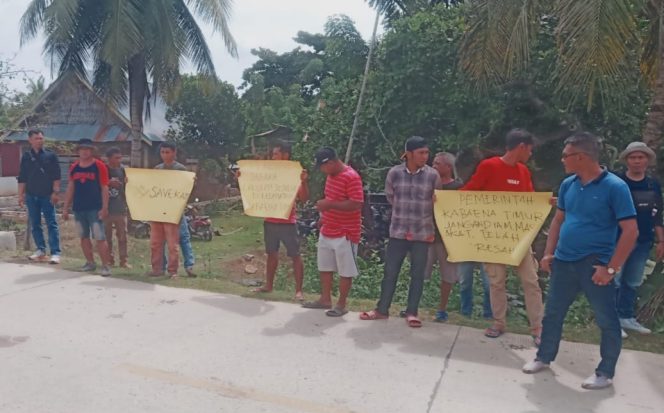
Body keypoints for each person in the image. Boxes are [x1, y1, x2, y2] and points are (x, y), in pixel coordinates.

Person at [523, 132, 638, 390]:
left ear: (582, 157)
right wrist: (549, 252)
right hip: (564, 261)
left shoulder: (615, 187)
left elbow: (631, 231)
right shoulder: (568, 184)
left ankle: (604, 372)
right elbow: (558, 220)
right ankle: (544, 356)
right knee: (552, 314)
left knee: (607, 320)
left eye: (566, 155)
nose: (562, 160)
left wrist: (610, 268)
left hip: (595, 263)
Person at [463, 128, 544, 342]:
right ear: (521, 147)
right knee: (497, 282)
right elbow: (469, 192)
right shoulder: (489, 166)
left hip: (518, 238)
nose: (531, 154)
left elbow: (530, 201)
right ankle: (499, 322)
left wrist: (545, 204)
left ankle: (537, 327)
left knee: (531, 280)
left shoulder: (523, 171)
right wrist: (442, 200)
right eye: (530, 150)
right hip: (494, 237)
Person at [360, 136, 440, 328]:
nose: (425, 156)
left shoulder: (433, 175)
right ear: (409, 154)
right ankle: (382, 309)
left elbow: (438, 203)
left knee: (418, 274)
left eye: (427, 153)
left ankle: (412, 312)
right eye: (421, 153)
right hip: (398, 231)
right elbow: (391, 198)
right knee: (390, 272)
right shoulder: (394, 173)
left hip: (422, 233)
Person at [425, 152, 492, 322]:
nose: (433, 166)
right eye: (432, 163)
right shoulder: (427, 184)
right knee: (420, 274)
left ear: (448, 167)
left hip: (449, 240)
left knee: (450, 277)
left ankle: (445, 310)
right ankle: (413, 306)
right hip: (427, 235)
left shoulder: (458, 188)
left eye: (437, 163)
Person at [302, 147, 363, 317]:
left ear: (330, 163)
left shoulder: (352, 177)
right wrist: (324, 215)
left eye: (323, 167)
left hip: (346, 232)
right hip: (328, 227)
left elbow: (356, 203)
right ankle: (325, 298)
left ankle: (341, 304)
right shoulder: (331, 176)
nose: (322, 171)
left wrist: (329, 205)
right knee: (325, 266)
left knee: (345, 270)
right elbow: (331, 198)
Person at [247, 140, 309, 300]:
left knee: (295, 255)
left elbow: (303, 198)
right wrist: (242, 177)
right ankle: (268, 285)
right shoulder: (269, 172)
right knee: (271, 254)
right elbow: (254, 185)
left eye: (276, 154)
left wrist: (303, 181)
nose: (273, 157)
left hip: (288, 221)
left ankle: (298, 291)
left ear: (285, 155)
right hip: (270, 220)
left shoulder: (295, 173)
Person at [615, 142, 664, 337]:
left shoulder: (653, 185)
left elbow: (657, 215)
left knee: (632, 281)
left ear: (647, 160)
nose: (636, 161)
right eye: (633, 157)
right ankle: (610, 320)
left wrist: (661, 241)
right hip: (618, 240)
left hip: (643, 241)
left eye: (640, 157)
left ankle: (626, 317)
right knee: (614, 280)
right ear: (627, 160)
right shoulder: (617, 182)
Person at [62, 138, 112, 276]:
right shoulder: (74, 167)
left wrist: (105, 207)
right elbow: (71, 188)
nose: (84, 151)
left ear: (91, 151)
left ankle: (106, 266)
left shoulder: (99, 166)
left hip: (95, 208)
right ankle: (90, 263)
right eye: (82, 149)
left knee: (100, 237)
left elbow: (104, 187)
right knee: (83, 237)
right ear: (78, 151)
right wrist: (65, 207)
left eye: (87, 149)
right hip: (79, 208)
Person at [17, 129, 62, 264]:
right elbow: (22, 177)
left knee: (51, 223)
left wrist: (55, 193)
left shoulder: (50, 156)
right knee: (35, 223)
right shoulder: (26, 156)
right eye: (37, 138)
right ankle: (40, 250)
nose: (40, 140)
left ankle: (55, 252)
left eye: (41, 138)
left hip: (47, 195)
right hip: (31, 195)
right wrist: (20, 195)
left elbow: (57, 176)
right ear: (30, 140)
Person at [148, 141, 189, 278]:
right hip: (157, 210)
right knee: (155, 242)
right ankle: (157, 269)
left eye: (167, 152)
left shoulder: (180, 169)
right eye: (162, 152)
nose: (165, 155)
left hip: (172, 211)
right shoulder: (157, 169)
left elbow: (185, 188)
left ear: (174, 152)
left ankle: (173, 271)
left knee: (173, 244)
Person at [104, 147, 130, 268]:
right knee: (106, 236)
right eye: (116, 158)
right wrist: (108, 183)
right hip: (106, 208)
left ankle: (124, 260)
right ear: (109, 158)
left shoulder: (123, 170)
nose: (119, 160)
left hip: (120, 208)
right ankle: (109, 259)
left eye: (120, 158)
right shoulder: (103, 169)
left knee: (122, 236)